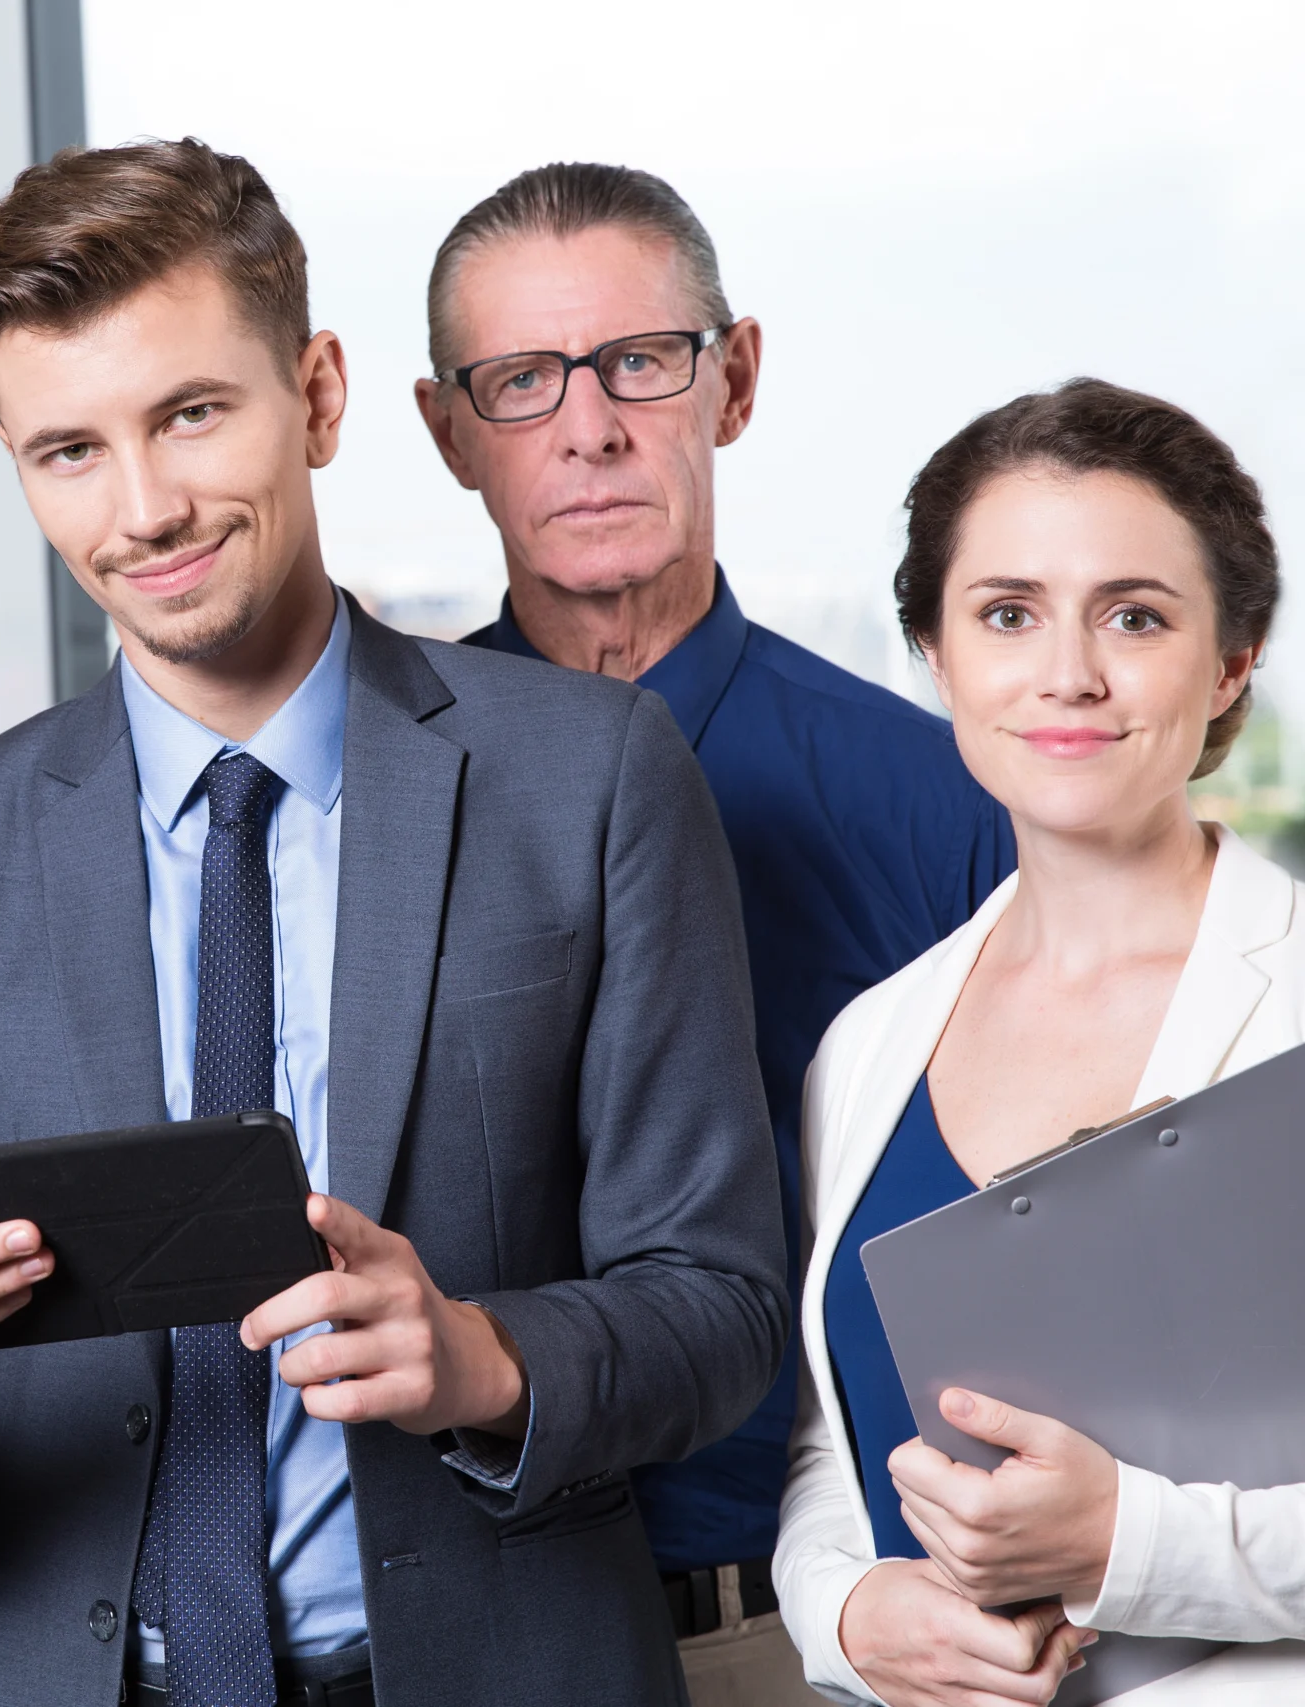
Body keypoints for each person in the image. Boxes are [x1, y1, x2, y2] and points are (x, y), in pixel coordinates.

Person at [0, 136, 790, 1707]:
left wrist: (481, 1361)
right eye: (68, 451)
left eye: (191, 414)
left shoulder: (590, 779)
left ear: (316, 393)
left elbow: (718, 1304)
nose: (145, 507)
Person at [775, 379, 1305, 1706]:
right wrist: (850, 1611)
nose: (1069, 673)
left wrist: (1131, 1544)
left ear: (1231, 660)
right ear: (934, 653)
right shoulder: (868, 1044)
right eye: (1007, 613)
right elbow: (840, 1443)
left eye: (1137, 615)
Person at [413, 162, 1014, 1703]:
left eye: (640, 362)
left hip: (821, 1633)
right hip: (467, 1628)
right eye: (521, 381)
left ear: (731, 379)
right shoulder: (366, 797)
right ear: (446, 430)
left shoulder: (943, 801)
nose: (590, 426)